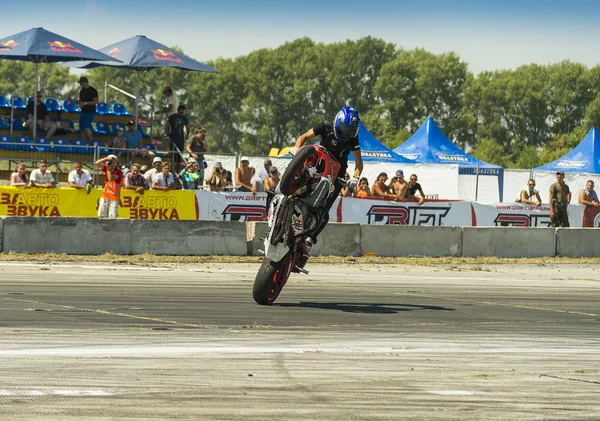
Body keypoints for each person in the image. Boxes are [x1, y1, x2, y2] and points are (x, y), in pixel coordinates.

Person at [290, 106, 363, 250]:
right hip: (319, 162)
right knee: (300, 175)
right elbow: (303, 137)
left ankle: (311, 237)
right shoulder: (325, 126)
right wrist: (296, 149)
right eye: (344, 128)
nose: (347, 132)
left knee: (325, 209)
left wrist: (355, 177)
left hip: (338, 172)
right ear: (337, 121)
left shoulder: (353, 138)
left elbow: (359, 163)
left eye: (350, 129)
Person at [96, 155, 123, 219]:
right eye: (111, 162)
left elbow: (111, 178)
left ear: (117, 163)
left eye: (113, 162)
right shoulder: (107, 168)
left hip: (114, 198)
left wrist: (109, 168)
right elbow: (97, 163)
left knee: (112, 217)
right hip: (105, 196)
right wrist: (105, 158)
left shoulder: (119, 172)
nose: (112, 164)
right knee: (101, 215)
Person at [166, 105, 189, 171]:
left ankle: (177, 171)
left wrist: (187, 135)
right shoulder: (172, 117)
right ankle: (171, 170)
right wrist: (168, 136)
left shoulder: (184, 118)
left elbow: (188, 127)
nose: (181, 114)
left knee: (179, 155)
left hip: (181, 139)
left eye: (183, 113)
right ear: (178, 111)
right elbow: (167, 126)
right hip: (173, 138)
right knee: (173, 155)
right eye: (180, 112)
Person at [76, 77, 99, 143]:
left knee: (86, 127)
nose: (80, 84)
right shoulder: (81, 91)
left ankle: (91, 142)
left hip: (90, 111)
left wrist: (85, 103)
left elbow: (96, 101)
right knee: (82, 129)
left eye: (81, 83)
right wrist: (73, 101)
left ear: (85, 83)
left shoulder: (93, 90)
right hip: (83, 111)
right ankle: (83, 143)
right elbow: (81, 101)